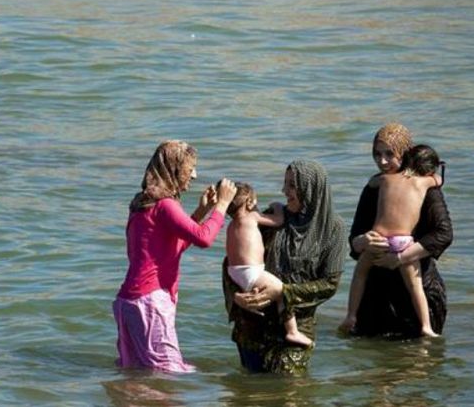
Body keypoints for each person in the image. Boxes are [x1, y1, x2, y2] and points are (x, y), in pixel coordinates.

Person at [113, 140, 237, 373]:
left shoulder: (143, 203)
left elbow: (171, 249)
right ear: (174, 169)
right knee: (168, 376)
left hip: (129, 303)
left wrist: (201, 212)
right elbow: (204, 238)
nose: (194, 175)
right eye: (190, 169)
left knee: (136, 377)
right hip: (150, 302)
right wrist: (221, 206)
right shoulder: (166, 205)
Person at [222, 160, 346, 374]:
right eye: (285, 184)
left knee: (289, 391)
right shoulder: (273, 217)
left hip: (296, 330)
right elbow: (235, 260)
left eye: (292, 186)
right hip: (252, 326)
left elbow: (330, 284)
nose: (284, 191)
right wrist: (235, 296)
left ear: (309, 188)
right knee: (246, 396)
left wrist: (284, 291)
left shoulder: (333, 229)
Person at [347, 123, 453, 338]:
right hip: (376, 298)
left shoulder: (426, 189)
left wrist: (402, 257)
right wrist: (362, 241)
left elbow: (443, 234)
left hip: (418, 291)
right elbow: (353, 239)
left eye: (389, 154)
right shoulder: (375, 186)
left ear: (406, 154)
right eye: (377, 154)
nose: (382, 161)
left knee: (417, 366)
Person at [225, 183, 312, 347]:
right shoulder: (251, 217)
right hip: (251, 271)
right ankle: (292, 331)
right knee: (283, 291)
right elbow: (278, 221)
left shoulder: (231, 225)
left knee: (260, 289)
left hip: (234, 272)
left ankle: (252, 305)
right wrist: (277, 206)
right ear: (249, 203)